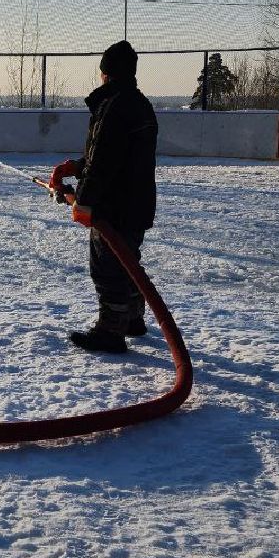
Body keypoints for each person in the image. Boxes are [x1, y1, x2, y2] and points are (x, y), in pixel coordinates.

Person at [48, 40, 158, 355]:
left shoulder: (113, 106)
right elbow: (112, 155)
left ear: (106, 73)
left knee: (108, 267)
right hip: (137, 204)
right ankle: (132, 319)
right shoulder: (140, 104)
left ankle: (111, 330)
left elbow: (103, 161)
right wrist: (75, 167)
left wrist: (83, 201)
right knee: (127, 261)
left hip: (114, 206)